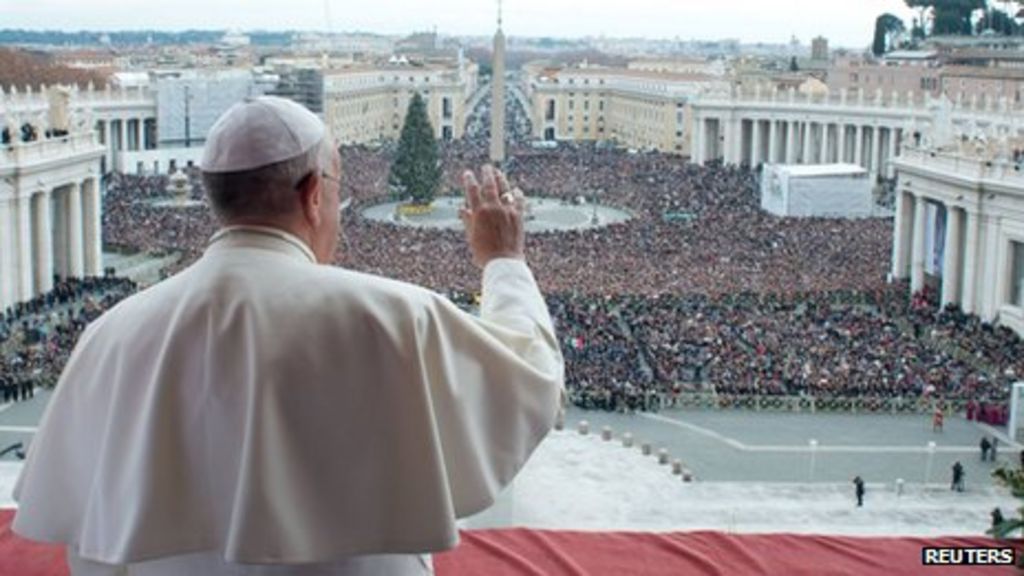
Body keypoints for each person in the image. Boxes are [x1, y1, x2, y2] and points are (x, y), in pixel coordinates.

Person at [12, 96, 565, 575]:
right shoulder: (396, 314)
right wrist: (504, 262)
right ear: (312, 195)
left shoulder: (111, 334)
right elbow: (533, 379)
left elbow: (90, 539)